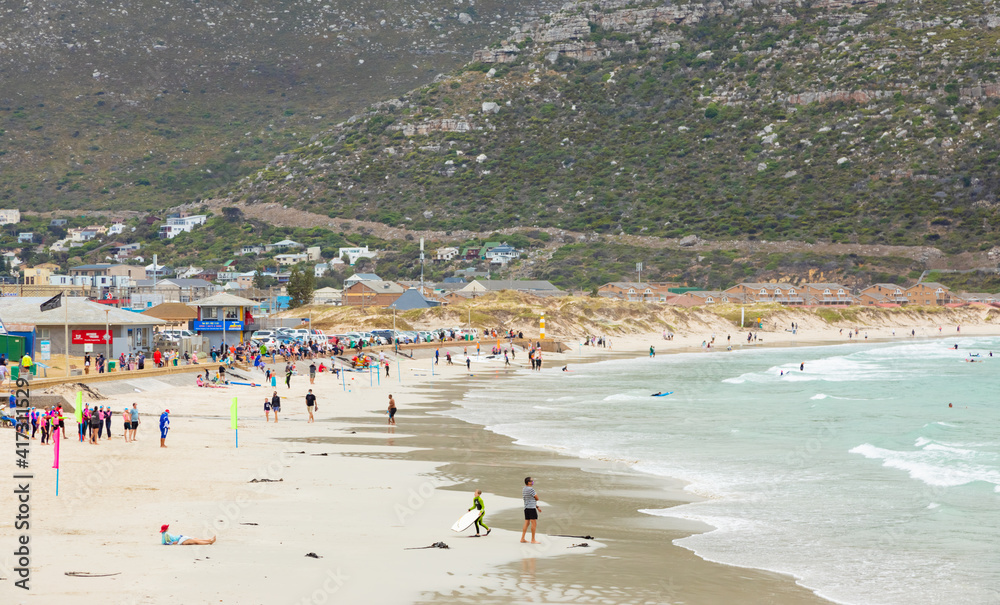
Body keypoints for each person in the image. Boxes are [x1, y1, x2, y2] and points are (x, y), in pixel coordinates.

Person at [520, 477, 540, 544]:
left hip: (526, 508)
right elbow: (537, 498)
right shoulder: (531, 489)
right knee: (534, 523)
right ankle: (533, 539)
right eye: (531, 481)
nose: (532, 482)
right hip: (531, 508)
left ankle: (522, 538)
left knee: (526, 523)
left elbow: (528, 499)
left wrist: (537, 507)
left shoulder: (524, 489)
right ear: (528, 482)